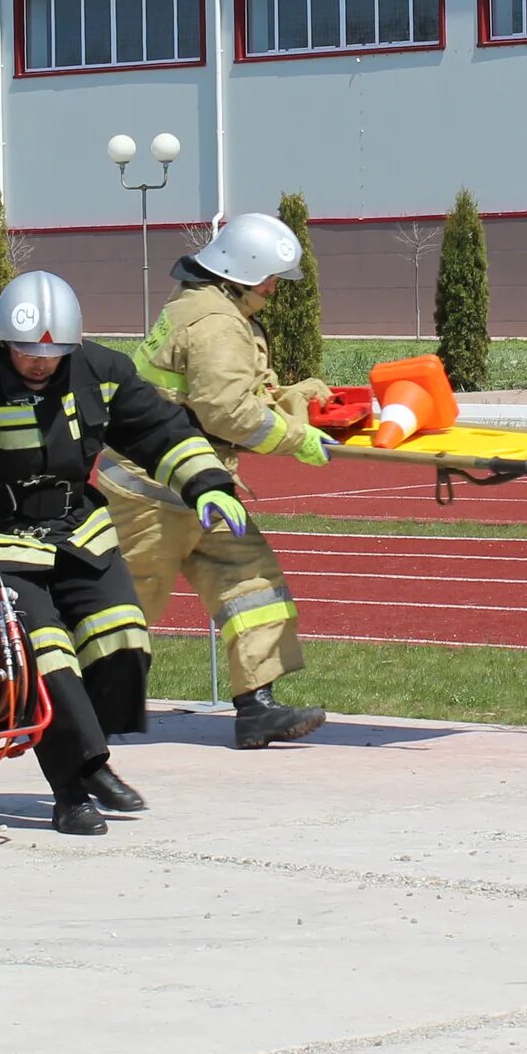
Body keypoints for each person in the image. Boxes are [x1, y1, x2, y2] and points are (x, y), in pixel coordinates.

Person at [0, 270, 249, 834]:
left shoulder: (101, 373)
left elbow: (161, 430)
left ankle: (91, 757)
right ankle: (73, 782)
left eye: (53, 353)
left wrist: (208, 483)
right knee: (46, 657)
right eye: (26, 353)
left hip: (79, 535)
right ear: (1, 341)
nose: (40, 364)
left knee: (124, 640)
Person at [99, 212, 330, 750]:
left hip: (201, 484)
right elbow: (227, 411)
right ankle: (75, 707)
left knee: (254, 586)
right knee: (125, 604)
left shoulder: (207, 309)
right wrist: (298, 439)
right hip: (151, 489)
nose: (275, 289)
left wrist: (291, 397)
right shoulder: (217, 323)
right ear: (244, 273)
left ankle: (258, 708)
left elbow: (221, 396)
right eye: (271, 278)